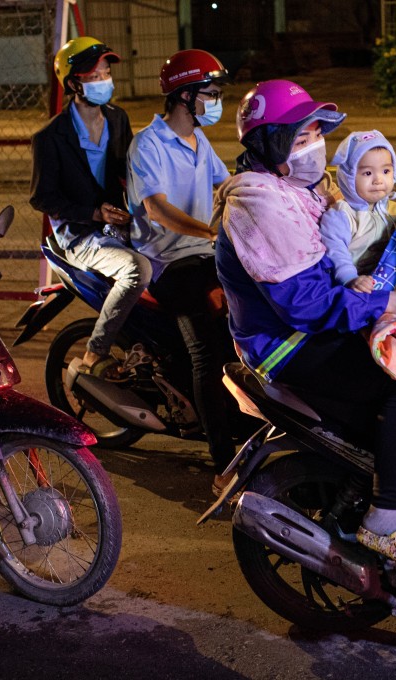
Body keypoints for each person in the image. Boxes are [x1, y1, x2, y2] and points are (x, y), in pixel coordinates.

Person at [212, 80, 396, 570]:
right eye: (302, 140)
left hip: (318, 325)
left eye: (318, 135)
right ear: (271, 146)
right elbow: (306, 304)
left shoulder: (294, 190)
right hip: (290, 345)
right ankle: (386, 512)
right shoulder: (259, 203)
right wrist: (390, 303)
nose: (315, 148)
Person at [126, 49, 236, 494]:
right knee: (207, 352)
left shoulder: (199, 142)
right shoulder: (147, 145)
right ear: (185, 95)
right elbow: (157, 209)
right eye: (210, 94)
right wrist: (208, 232)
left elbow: (227, 185)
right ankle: (223, 465)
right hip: (167, 261)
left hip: (205, 253)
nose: (215, 102)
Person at [30, 37, 151, 380]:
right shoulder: (50, 137)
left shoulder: (117, 118)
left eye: (106, 73)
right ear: (73, 84)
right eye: (94, 76)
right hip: (79, 232)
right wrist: (95, 214)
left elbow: (129, 172)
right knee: (136, 270)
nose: (104, 81)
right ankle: (94, 353)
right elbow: (42, 198)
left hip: (117, 223)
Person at [319, 130, 396, 292]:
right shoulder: (341, 215)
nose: (378, 180)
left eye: (386, 171)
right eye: (368, 173)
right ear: (348, 177)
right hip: (362, 290)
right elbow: (336, 252)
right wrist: (350, 278)